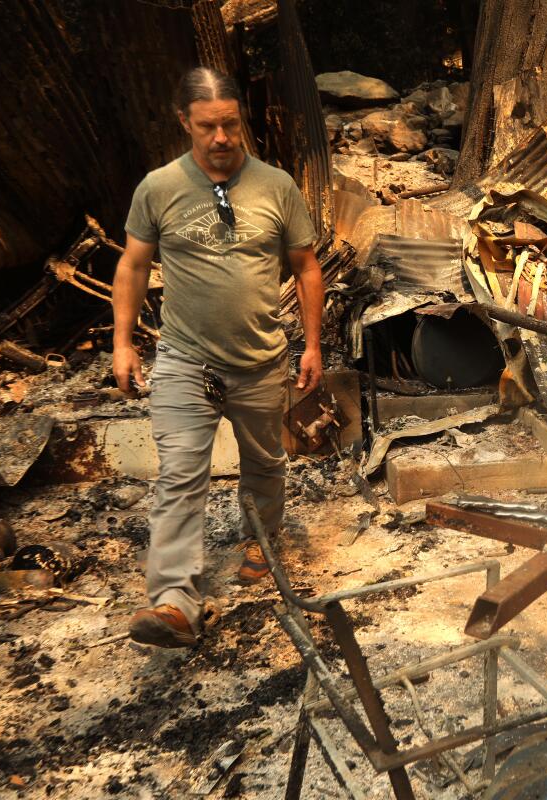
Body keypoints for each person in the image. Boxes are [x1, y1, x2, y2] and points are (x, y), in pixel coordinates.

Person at [111, 67, 324, 648]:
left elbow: (306, 266)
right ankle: (176, 600)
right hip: (185, 358)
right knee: (180, 475)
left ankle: (262, 536)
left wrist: (312, 344)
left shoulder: (277, 185)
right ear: (185, 123)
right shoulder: (158, 187)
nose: (222, 138)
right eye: (208, 127)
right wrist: (123, 341)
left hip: (260, 358)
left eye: (230, 124)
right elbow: (131, 265)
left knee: (265, 464)